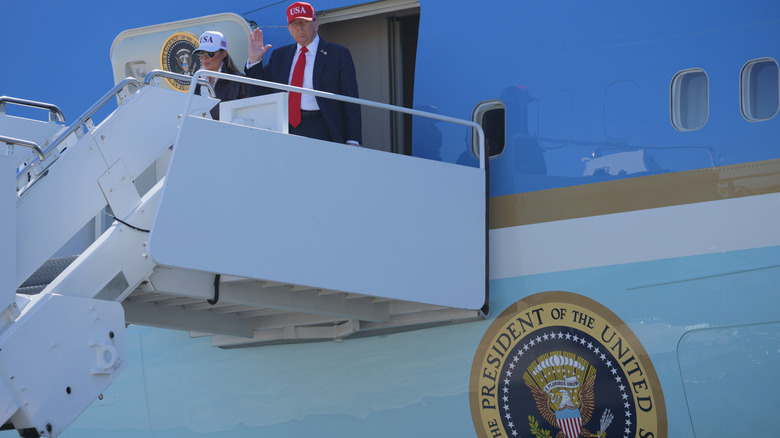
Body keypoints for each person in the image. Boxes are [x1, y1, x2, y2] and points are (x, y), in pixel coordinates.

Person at [245, 2, 362, 146]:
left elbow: (350, 98)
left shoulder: (337, 54)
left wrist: (353, 139)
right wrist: (254, 61)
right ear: (288, 29)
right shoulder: (280, 55)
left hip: (321, 126)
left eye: (304, 22)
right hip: (283, 126)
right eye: (294, 23)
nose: (299, 28)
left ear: (316, 24)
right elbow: (261, 92)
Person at [193, 31, 248, 120]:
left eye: (210, 53)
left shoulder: (238, 81)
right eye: (200, 53)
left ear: (224, 54)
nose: (204, 57)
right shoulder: (197, 82)